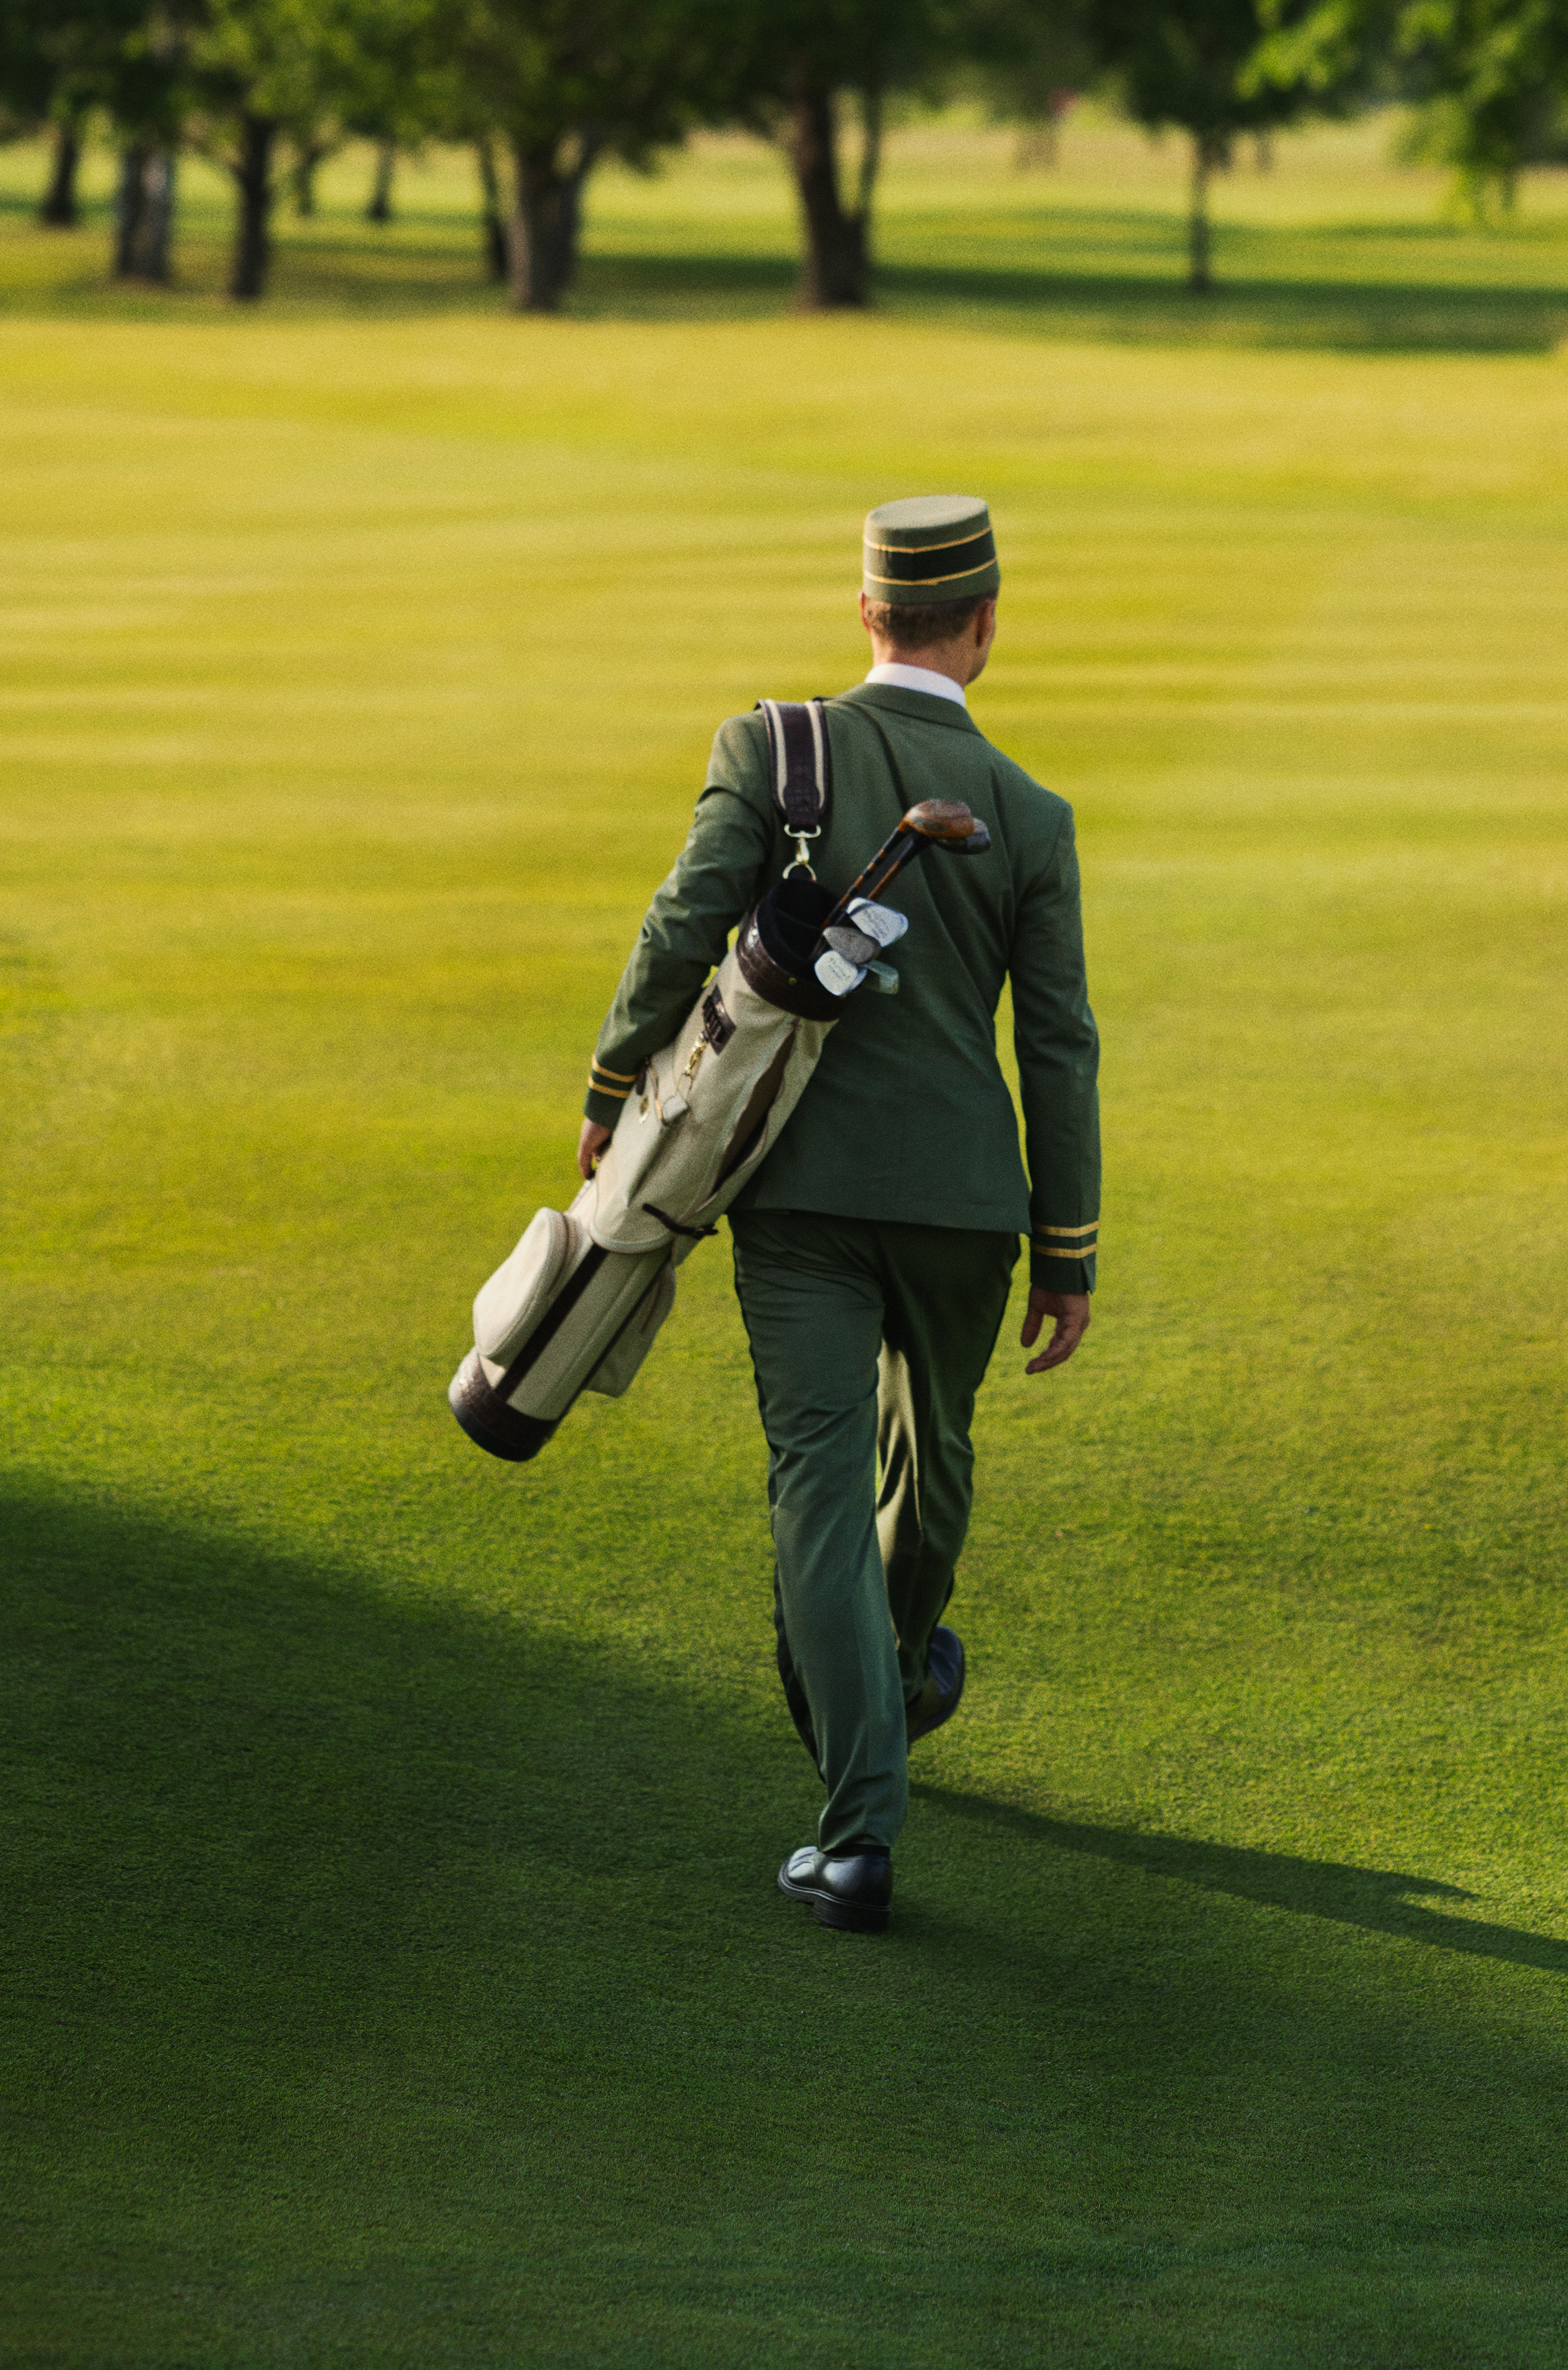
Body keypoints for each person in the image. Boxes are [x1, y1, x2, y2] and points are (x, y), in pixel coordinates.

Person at [574, 494, 1100, 1937]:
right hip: (970, 1210)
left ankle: (858, 1819)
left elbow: (682, 926)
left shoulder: (770, 748)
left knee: (818, 1483)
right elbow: (1057, 1047)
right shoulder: (1037, 821)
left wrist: (619, 1081)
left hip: (793, 1192)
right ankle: (895, 1671)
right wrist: (1071, 1251)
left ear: (868, 613)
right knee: (931, 1466)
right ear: (985, 628)